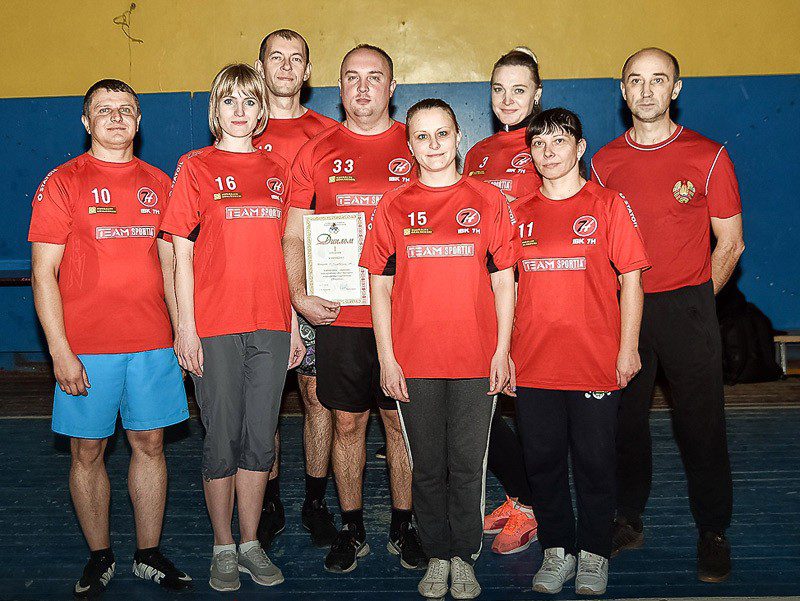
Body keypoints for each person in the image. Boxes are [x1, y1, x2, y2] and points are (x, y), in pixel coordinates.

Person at [28, 79, 192, 599]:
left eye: (126, 109)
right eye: (104, 110)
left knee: (151, 445)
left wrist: (182, 334)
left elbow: (173, 267)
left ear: (139, 121)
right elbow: (43, 273)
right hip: (86, 350)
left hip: (153, 344)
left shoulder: (159, 183)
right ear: (86, 121)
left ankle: (148, 553)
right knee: (87, 452)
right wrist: (60, 351)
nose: (116, 118)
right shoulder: (62, 182)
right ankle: (100, 555)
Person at [591, 47, 744, 583]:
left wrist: (696, 298)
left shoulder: (709, 155)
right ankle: (627, 518)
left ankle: (713, 531)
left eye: (659, 80)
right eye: (636, 80)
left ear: (675, 89)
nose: (647, 90)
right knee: (624, 423)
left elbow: (730, 243)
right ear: (623, 90)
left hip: (688, 309)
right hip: (625, 311)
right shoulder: (603, 163)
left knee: (701, 425)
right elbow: (599, 247)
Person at [361, 98, 518, 599]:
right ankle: (436, 554)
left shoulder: (488, 200)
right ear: (409, 146)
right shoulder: (394, 204)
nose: (433, 145)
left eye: (442, 134)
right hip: (414, 360)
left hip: (476, 359)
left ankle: (464, 555)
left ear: (458, 137)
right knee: (427, 467)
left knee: (468, 466)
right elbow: (379, 285)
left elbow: (505, 280)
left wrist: (502, 350)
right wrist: (387, 357)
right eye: (422, 136)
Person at [160, 63, 304, 592]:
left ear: (261, 109)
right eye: (229, 101)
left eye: (249, 101)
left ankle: (249, 542)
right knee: (221, 440)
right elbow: (180, 255)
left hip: (272, 324)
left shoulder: (278, 168)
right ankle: (222, 545)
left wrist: (293, 323)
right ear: (215, 109)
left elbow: (288, 251)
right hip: (215, 325)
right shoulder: (195, 166)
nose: (240, 111)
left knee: (260, 442)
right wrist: (186, 328)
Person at [283, 44, 425, 573]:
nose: (363, 87)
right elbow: (293, 234)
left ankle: (404, 527)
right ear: (339, 86)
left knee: (399, 425)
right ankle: (352, 526)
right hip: (339, 315)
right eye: (352, 77)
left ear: (392, 87)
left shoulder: (417, 143)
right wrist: (298, 294)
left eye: (375, 77)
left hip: (405, 317)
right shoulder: (315, 151)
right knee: (346, 424)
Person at [510, 108, 649, 595]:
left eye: (559, 141)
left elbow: (632, 280)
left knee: (595, 463)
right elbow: (505, 288)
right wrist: (504, 353)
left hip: (595, 361)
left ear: (580, 147)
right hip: (533, 363)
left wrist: (628, 348)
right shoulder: (517, 212)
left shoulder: (608, 204)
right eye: (539, 143)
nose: (548, 152)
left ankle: (593, 553)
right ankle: (557, 550)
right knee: (543, 463)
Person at [252, 28, 339, 550]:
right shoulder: (240, 128)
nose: (285, 66)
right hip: (252, 287)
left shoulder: (330, 133)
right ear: (260, 66)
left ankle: (314, 500)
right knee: (265, 401)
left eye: (295, 58)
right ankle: (268, 501)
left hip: (313, 283)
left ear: (307, 71)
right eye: (275, 57)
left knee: (317, 396)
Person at [463, 46, 542, 555]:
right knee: (486, 408)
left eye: (519, 89)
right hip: (487, 298)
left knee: (530, 409)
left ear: (537, 95)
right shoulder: (476, 154)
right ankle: (520, 494)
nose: (508, 99)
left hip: (535, 298)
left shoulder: (547, 144)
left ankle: (534, 507)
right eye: (498, 89)